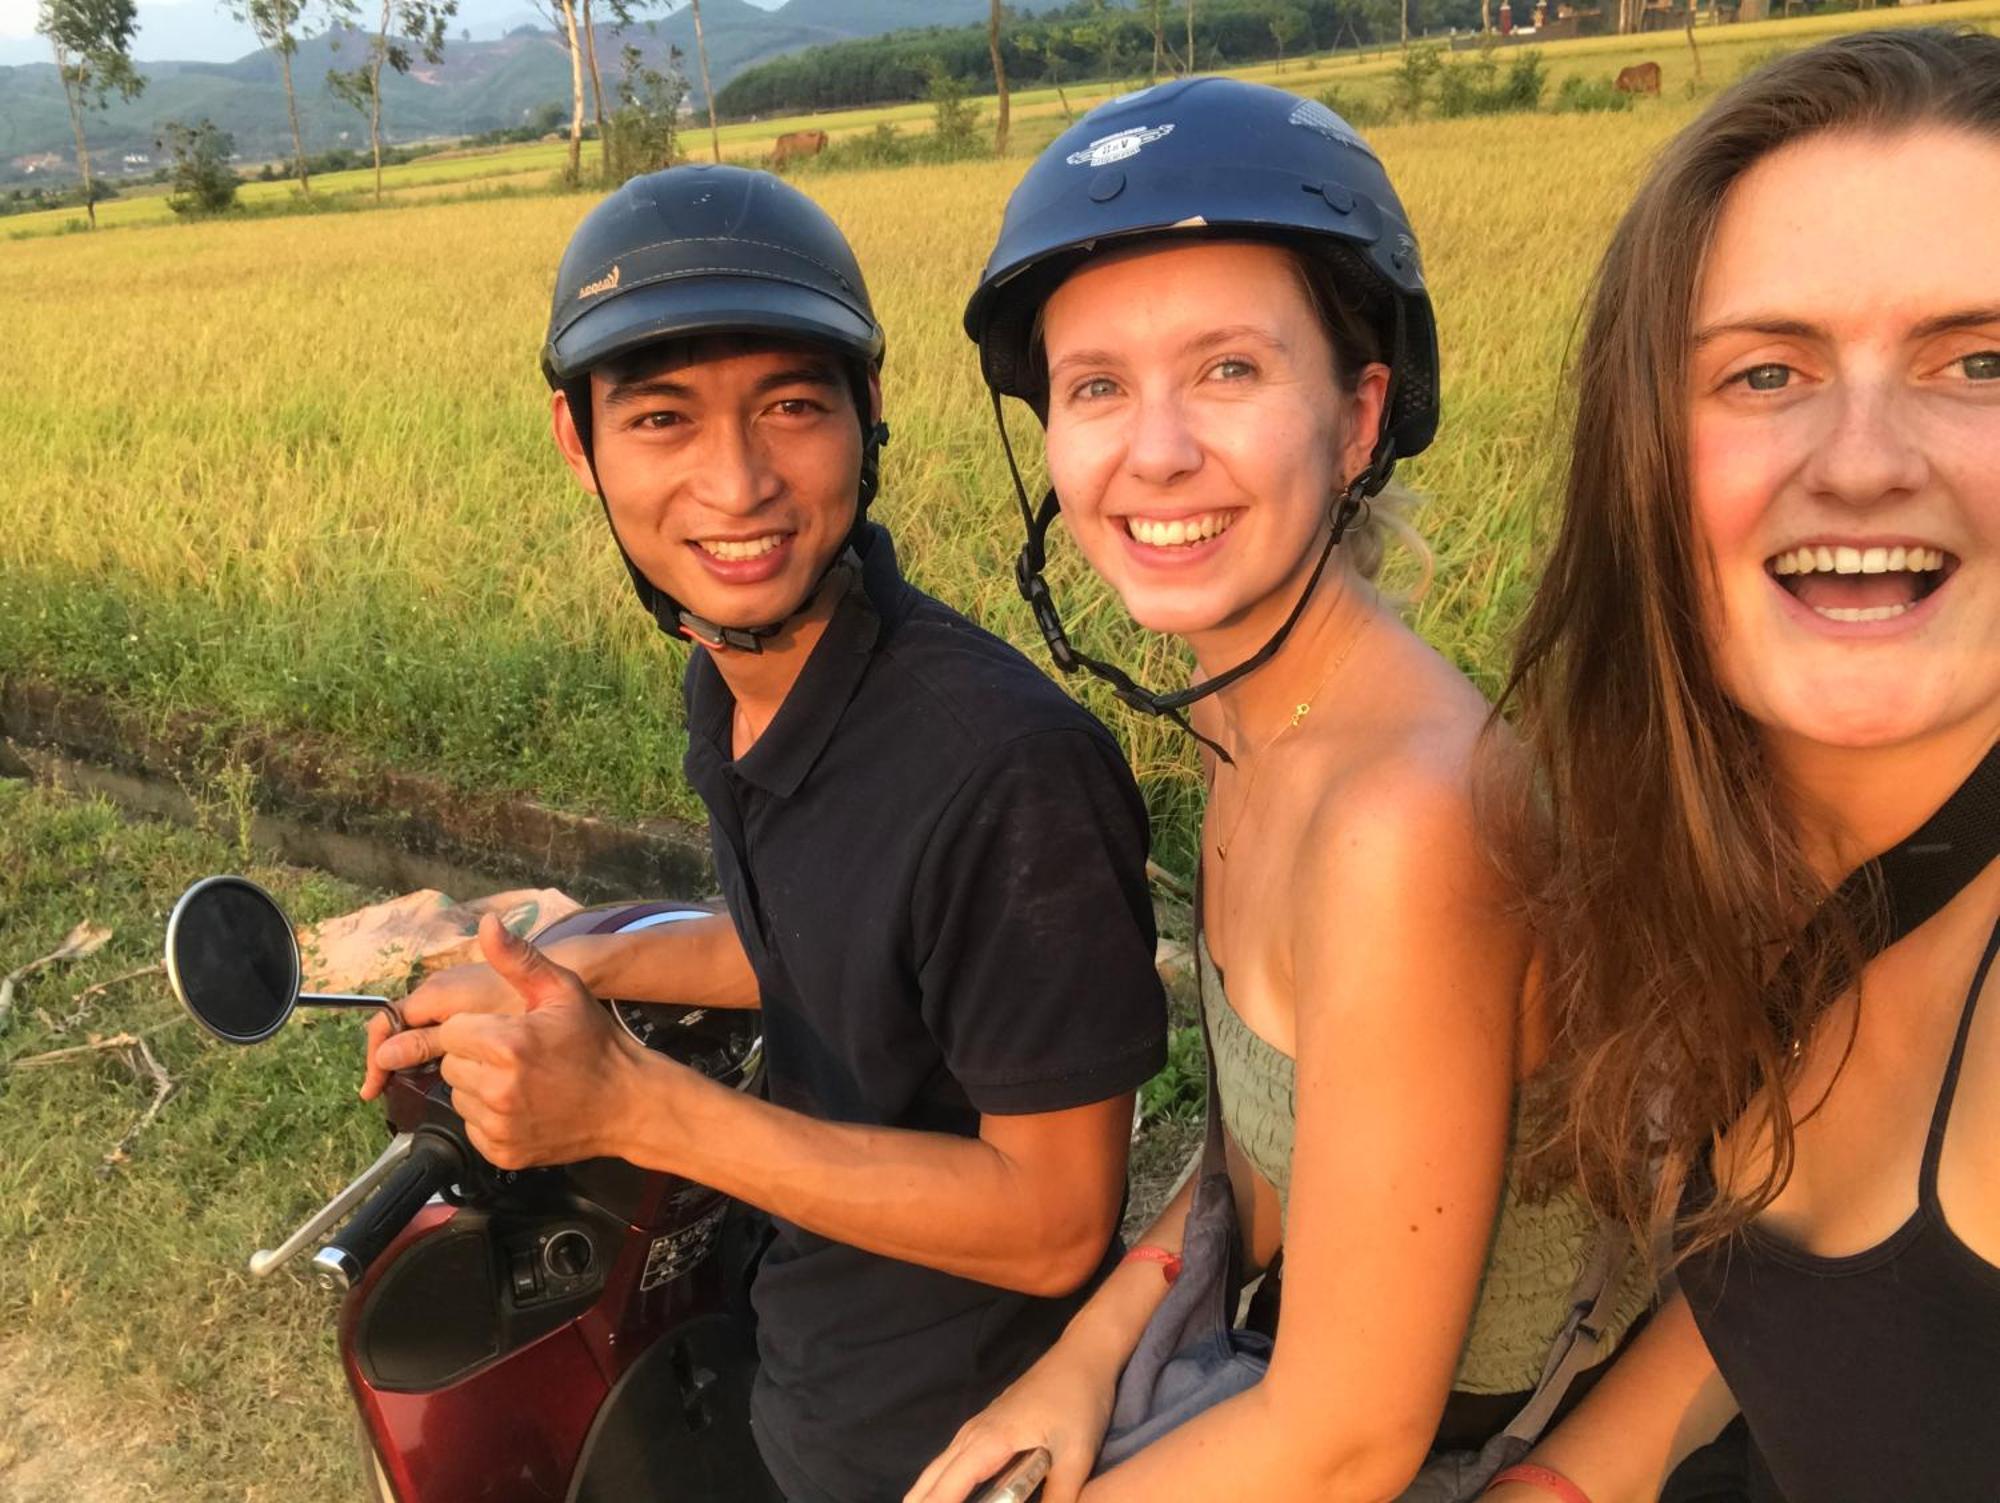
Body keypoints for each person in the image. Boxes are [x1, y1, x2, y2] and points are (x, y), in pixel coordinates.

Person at [361, 165, 1169, 1503]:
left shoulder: (1004, 773)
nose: (737, 486)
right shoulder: (737, 679)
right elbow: (822, 939)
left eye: (793, 407)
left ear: (870, 413)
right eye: (664, 418)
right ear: (578, 441)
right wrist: (583, 957)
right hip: (801, 1333)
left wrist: (632, 1102)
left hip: (951, 1435)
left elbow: (1056, 1219)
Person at [909, 78, 1652, 1503]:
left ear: (1361, 415)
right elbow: (1273, 1150)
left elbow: (1344, 1446)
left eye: (1230, 369)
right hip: (1262, 1349)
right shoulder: (1257, 709)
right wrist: (1087, 1351)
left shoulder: (1406, 816)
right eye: (1097, 387)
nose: (1156, 450)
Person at [1479, 29, 2000, 1503]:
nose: (1860, 459)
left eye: (1981, 360)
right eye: (1767, 372)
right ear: (1644, 456)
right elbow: (1782, 1306)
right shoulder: (1735, 854)